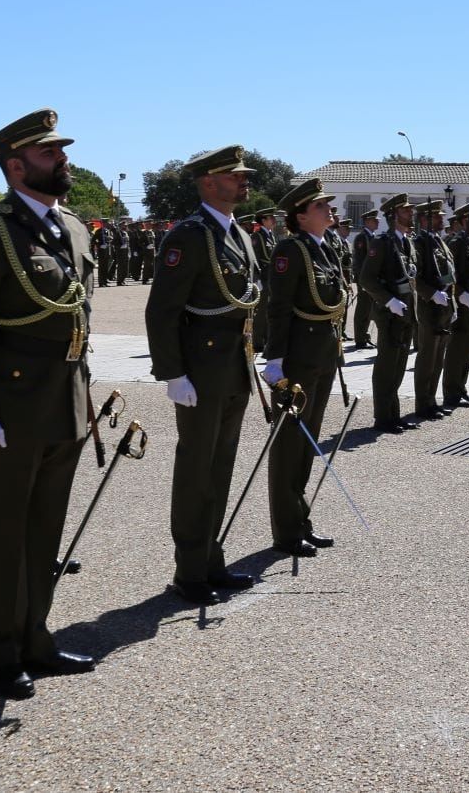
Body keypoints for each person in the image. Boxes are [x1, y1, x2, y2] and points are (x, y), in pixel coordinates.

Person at [0, 108, 98, 698]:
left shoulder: (74, 228)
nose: (63, 160)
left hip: (61, 403)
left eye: (62, 151)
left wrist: (82, 394)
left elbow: (78, 315)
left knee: (45, 530)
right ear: (16, 165)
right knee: (4, 532)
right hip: (8, 408)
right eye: (51, 153)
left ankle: (36, 636)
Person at [145, 145, 263, 606]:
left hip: (234, 366)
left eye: (244, 175)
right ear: (208, 182)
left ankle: (212, 560)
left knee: (221, 468)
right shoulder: (189, 236)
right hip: (201, 368)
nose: (244, 181)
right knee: (196, 471)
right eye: (235, 176)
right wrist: (173, 373)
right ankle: (189, 572)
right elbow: (162, 311)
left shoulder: (238, 234)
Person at [260, 178, 343, 558]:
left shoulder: (324, 249)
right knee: (289, 446)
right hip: (296, 361)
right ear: (301, 214)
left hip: (322, 356)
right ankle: (286, 530)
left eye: (327, 204)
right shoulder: (290, 251)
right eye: (321, 206)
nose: (329, 209)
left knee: (307, 444)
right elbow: (277, 307)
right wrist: (274, 360)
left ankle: (301, 521)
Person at [357, 194, 418, 433]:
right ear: (393, 215)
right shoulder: (382, 242)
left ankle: (394, 413)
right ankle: (382, 417)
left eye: (410, 210)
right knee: (386, 365)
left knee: (399, 364)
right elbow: (366, 278)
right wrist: (389, 300)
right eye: (405, 210)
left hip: (406, 311)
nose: (410, 213)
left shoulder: (406, 242)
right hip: (389, 313)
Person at [410, 200, 456, 418]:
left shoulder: (441, 242)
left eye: (440, 215)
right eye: (436, 216)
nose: (441, 219)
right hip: (429, 308)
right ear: (423, 219)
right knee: (427, 357)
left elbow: (449, 274)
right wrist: (431, 294)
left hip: (445, 305)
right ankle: (422, 403)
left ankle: (431, 399)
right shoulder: (418, 244)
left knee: (439, 357)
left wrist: (452, 302)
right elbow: (414, 278)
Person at [442, 202, 469, 408]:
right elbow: (452, 274)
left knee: (468, 348)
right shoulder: (457, 243)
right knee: (457, 348)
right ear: (464, 221)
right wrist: (459, 294)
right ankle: (451, 391)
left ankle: (461, 388)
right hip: (462, 301)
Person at [350, 210, 379, 349]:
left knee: (368, 309)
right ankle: (360, 339)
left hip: (371, 280)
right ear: (367, 222)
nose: (378, 222)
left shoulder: (372, 237)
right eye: (375, 220)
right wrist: (362, 281)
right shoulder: (362, 238)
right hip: (365, 280)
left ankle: (365, 336)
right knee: (363, 309)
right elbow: (359, 262)